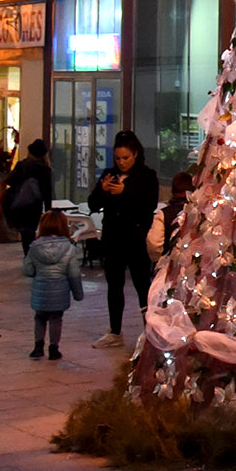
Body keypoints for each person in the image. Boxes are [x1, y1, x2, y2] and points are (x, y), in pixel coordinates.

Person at [88, 131, 159, 349]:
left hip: (136, 239)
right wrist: (103, 191)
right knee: (114, 285)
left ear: (135, 154)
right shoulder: (110, 175)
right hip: (113, 238)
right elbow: (93, 204)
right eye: (118, 158)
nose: (121, 162)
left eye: (126, 158)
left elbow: (149, 204)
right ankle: (115, 331)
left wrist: (125, 192)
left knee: (142, 285)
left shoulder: (147, 176)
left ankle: (151, 331)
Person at [23, 210, 83, 360]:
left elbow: (28, 270)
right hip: (59, 291)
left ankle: (38, 346)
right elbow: (74, 274)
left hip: (41, 290)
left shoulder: (35, 247)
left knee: (39, 317)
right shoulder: (69, 248)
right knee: (56, 319)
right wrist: (78, 294)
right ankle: (54, 348)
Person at [0, 139, 55, 254]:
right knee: (31, 231)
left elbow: (10, 180)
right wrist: (48, 210)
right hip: (35, 207)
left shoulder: (22, 165)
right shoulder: (45, 170)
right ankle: (30, 255)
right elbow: (47, 192)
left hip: (20, 204)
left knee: (25, 233)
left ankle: (28, 255)